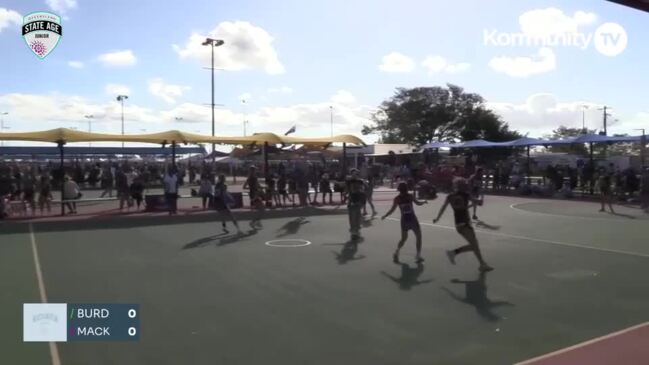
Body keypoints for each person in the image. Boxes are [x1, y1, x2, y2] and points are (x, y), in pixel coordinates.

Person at [433, 178, 493, 272]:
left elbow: (443, 207)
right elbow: (478, 203)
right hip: (465, 222)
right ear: (461, 185)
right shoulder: (466, 195)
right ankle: (454, 253)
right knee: (474, 245)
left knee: (474, 245)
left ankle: (482, 264)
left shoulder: (450, 196)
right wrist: (481, 198)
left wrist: (437, 218)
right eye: (464, 184)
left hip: (458, 224)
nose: (466, 185)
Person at [381, 182, 428, 263]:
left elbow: (392, 210)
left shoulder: (397, 198)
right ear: (406, 189)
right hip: (412, 219)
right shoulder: (410, 196)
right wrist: (423, 202)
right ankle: (418, 255)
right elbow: (418, 203)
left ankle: (397, 252)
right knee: (418, 237)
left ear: (399, 189)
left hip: (404, 220)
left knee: (403, 239)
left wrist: (385, 215)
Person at [345, 169, 367, 241]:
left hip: (358, 201)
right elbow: (348, 181)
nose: (355, 175)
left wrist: (364, 182)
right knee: (352, 218)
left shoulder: (360, 181)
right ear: (351, 174)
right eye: (353, 174)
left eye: (356, 174)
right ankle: (353, 232)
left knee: (357, 217)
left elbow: (364, 187)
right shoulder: (349, 181)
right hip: (352, 201)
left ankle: (356, 231)